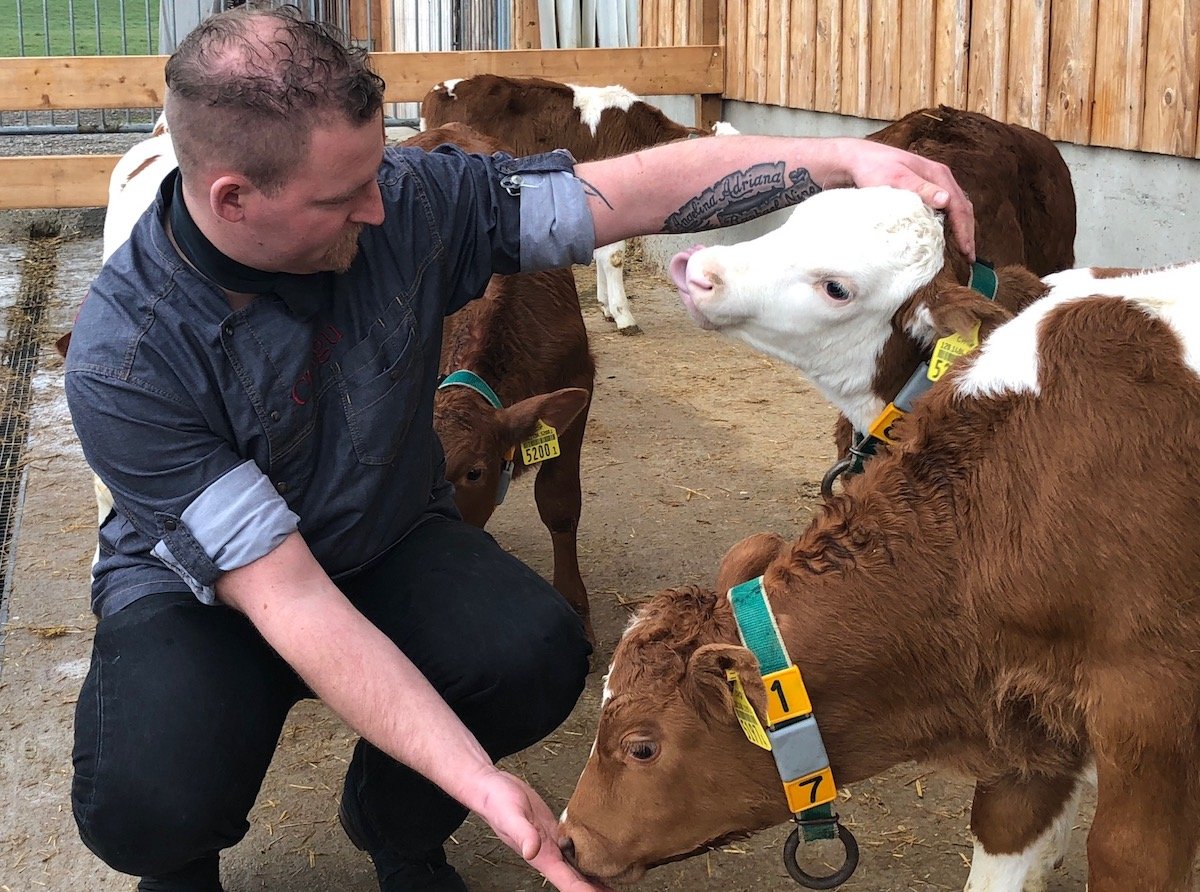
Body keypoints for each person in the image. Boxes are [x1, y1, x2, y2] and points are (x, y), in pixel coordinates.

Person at [63, 6, 975, 892]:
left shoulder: (408, 206)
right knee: (146, 800)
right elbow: (293, 599)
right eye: (342, 196)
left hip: (384, 533)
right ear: (233, 197)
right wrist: (484, 782)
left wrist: (835, 157)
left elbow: (632, 191)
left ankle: (393, 826)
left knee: (534, 653)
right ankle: (180, 868)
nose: (380, 208)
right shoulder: (129, 360)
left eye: (378, 172)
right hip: (214, 593)